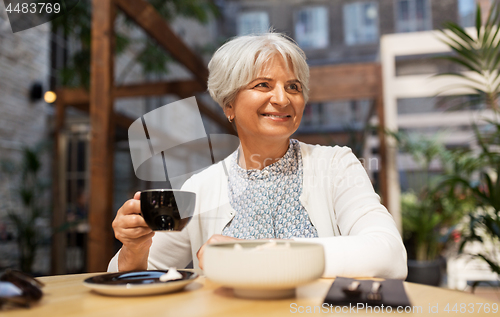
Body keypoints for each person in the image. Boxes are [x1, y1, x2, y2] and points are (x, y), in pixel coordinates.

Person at [109, 33, 407, 279]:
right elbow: (141, 277)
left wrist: (259, 254)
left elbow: (389, 255)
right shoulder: (200, 187)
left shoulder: (336, 164)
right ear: (229, 105)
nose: (282, 98)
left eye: (293, 87)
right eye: (263, 84)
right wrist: (134, 247)